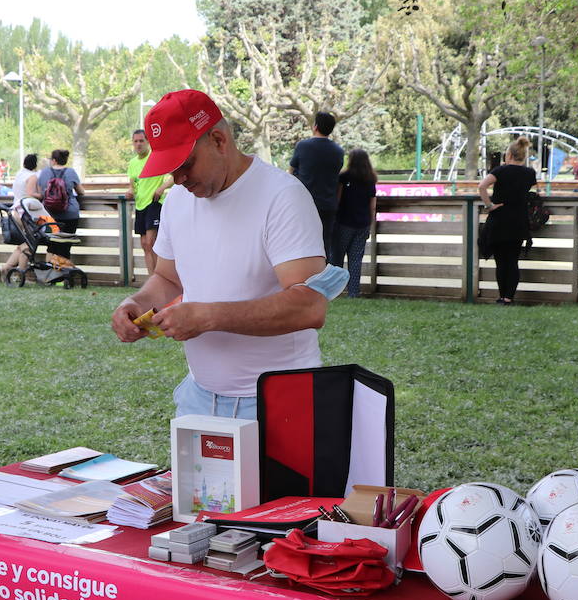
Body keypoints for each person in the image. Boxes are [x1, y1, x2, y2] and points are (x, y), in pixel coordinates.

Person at [110, 89, 333, 419]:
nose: (178, 179)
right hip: (199, 395)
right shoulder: (177, 201)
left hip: (278, 398)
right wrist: (136, 303)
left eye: (185, 165)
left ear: (218, 140)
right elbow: (167, 278)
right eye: (170, 169)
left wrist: (207, 317)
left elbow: (310, 306)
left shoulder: (282, 196)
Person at [477, 137, 539, 304]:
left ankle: (501, 296)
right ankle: (508, 297)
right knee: (512, 261)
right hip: (518, 221)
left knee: (500, 261)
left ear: (509, 155)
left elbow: (482, 186)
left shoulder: (500, 171)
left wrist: (489, 205)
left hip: (499, 219)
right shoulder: (530, 173)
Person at [289, 111, 345, 253]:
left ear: (315, 126)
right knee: (325, 243)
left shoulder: (303, 146)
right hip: (328, 205)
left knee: (303, 242)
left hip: (305, 203)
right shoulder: (338, 151)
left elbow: (291, 171)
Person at [127, 129, 173, 276]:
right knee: (144, 245)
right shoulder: (132, 163)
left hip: (154, 203)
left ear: (147, 142)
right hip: (140, 206)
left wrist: (161, 188)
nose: (138, 144)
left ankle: (161, 278)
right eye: (136, 141)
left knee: (151, 242)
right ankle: (152, 279)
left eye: (141, 141)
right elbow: (133, 185)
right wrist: (130, 191)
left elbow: (174, 176)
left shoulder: (156, 157)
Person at [333, 149, 378, 298]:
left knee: (337, 257)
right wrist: (370, 223)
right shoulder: (370, 179)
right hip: (363, 224)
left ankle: (335, 291)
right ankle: (353, 292)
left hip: (344, 222)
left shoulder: (344, 177)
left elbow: (338, 199)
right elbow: (372, 205)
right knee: (356, 259)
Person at [36, 149, 83, 260]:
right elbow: (81, 192)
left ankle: (50, 269)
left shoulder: (45, 172)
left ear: (53, 160)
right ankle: (64, 269)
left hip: (49, 214)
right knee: (66, 245)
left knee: (51, 246)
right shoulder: (71, 172)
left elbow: (40, 192)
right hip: (70, 214)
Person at [0, 153, 40, 278]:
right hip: (25, 213)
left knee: (24, 243)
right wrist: (42, 195)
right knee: (29, 245)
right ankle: (20, 273)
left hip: (15, 211)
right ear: (35, 165)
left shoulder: (19, 174)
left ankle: (7, 268)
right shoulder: (32, 176)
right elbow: (30, 193)